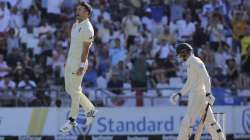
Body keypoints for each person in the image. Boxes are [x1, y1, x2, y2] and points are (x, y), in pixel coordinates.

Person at [170, 43, 225, 140]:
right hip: (199, 96)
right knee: (210, 121)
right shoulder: (190, 63)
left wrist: (208, 93)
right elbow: (189, 83)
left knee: (187, 122)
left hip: (197, 96)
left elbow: (207, 77)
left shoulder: (195, 61)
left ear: (185, 53)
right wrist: (179, 94)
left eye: (179, 54)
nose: (179, 57)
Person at [60, 1, 96, 133]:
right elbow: (74, 44)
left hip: (79, 63)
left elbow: (85, 50)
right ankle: (90, 109)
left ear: (87, 13)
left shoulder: (88, 28)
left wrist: (81, 65)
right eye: (77, 9)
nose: (77, 12)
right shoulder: (76, 24)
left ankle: (72, 120)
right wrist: (68, 60)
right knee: (69, 89)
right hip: (70, 61)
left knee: (74, 91)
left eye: (80, 10)